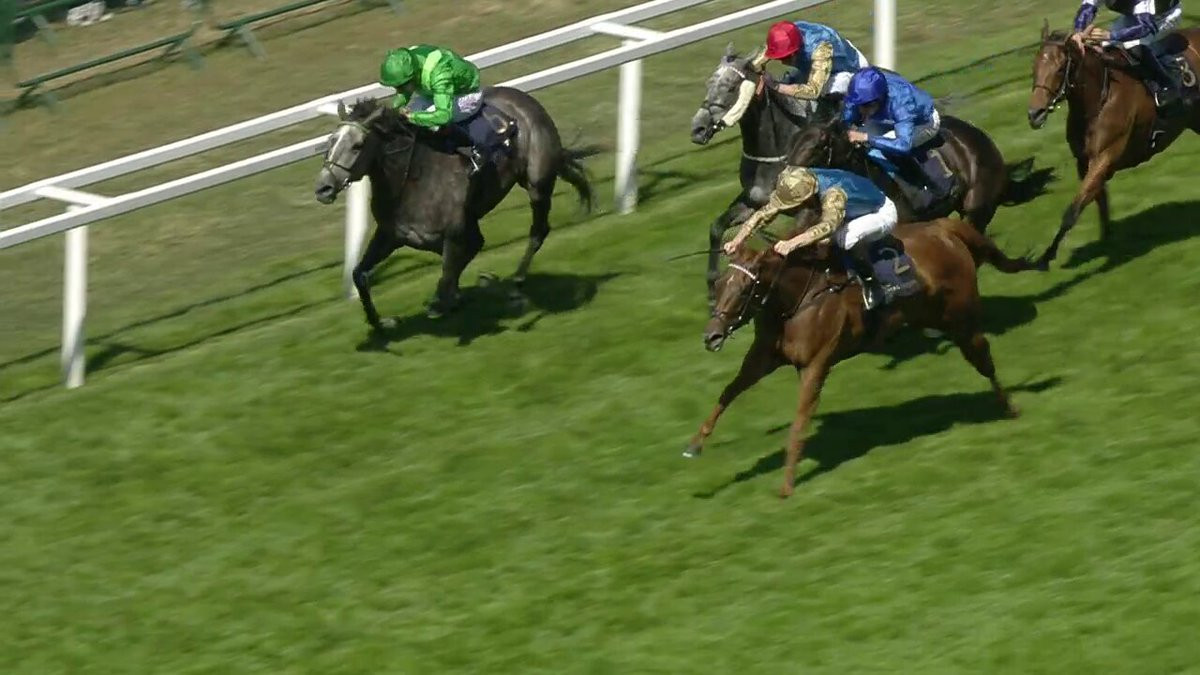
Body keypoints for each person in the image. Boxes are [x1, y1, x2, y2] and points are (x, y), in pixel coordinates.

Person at [723, 165, 898, 310]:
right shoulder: (800, 177)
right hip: (849, 211)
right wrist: (738, 240)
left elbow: (827, 227)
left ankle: (873, 284)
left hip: (880, 212)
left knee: (844, 239)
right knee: (816, 237)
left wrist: (792, 243)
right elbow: (765, 213)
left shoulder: (833, 196)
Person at [842, 66, 957, 212]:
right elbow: (846, 117)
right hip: (889, 119)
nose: (861, 110)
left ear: (879, 99)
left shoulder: (901, 102)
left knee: (880, 148)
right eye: (859, 106)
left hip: (923, 123)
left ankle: (929, 187)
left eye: (865, 106)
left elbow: (903, 145)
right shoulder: (862, 96)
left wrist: (866, 138)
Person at [378, 44, 488, 174]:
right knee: (405, 121)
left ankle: (473, 150)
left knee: (428, 122)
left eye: (400, 86)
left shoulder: (438, 74)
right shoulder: (409, 63)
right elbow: (404, 94)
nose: (398, 90)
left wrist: (411, 117)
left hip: (465, 94)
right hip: (433, 93)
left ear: (413, 76)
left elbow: (443, 115)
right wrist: (391, 110)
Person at [1072, 0, 1187, 108]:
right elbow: (1087, 8)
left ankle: (1168, 85)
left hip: (1164, 16)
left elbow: (1145, 27)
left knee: (1134, 45)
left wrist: (1111, 35)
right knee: (1105, 45)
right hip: (1135, 15)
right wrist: (1079, 32)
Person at [761, 20, 870, 104]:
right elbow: (762, 57)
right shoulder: (787, 32)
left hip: (851, 71)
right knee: (788, 81)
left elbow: (813, 91)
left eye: (784, 58)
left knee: (826, 92)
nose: (782, 62)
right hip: (817, 65)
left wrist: (776, 86)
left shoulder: (821, 49)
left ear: (794, 52)